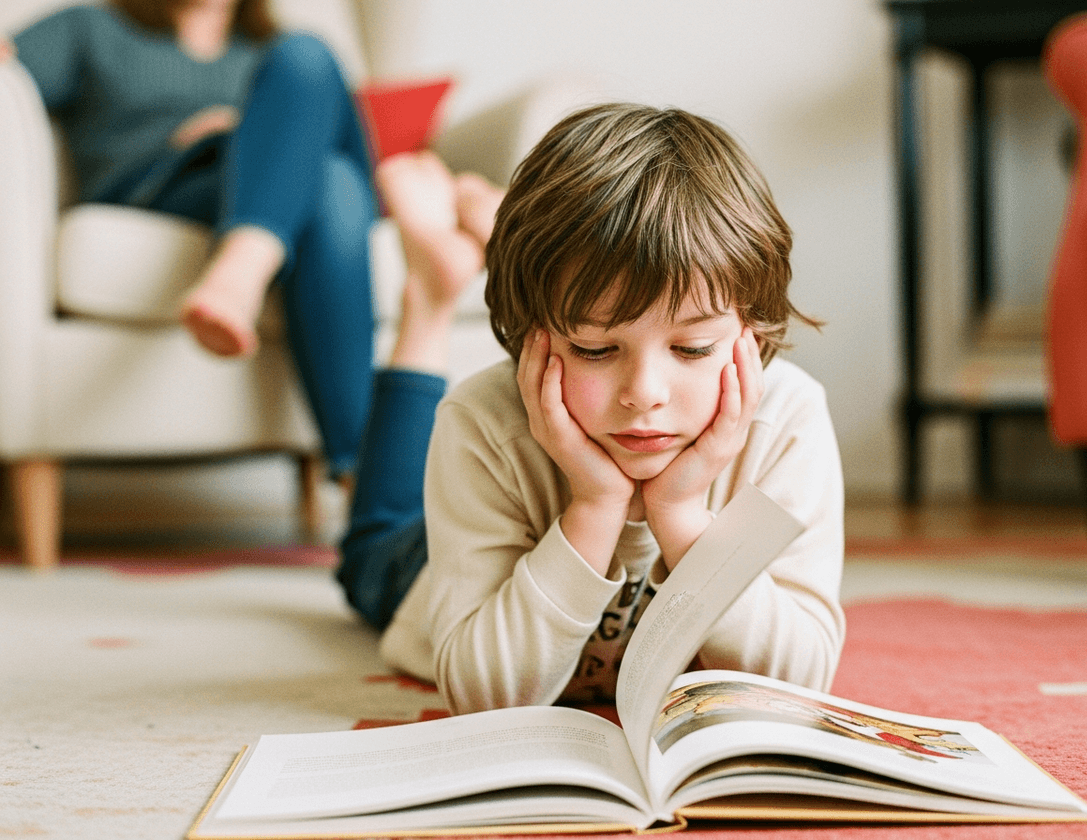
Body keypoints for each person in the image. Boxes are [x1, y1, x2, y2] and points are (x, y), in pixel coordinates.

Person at [338, 103, 846, 717]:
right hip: (429, 564)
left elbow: (799, 679)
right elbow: (485, 696)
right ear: (532, 335)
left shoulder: (786, 420)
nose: (645, 393)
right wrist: (595, 506)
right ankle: (430, 296)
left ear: (751, 333)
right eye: (595, 348)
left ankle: (493, 224)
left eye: (691, 348)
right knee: (372, 549)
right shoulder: (482, 424)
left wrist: (682, 514)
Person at [6, 0, 384, 483]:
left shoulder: (267, 50)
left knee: (315, 96)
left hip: (277, 183)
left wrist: (250, 134)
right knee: (330, 180)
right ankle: (368, 481)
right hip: (171, 185)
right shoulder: (92, 27)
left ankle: (241, 266)